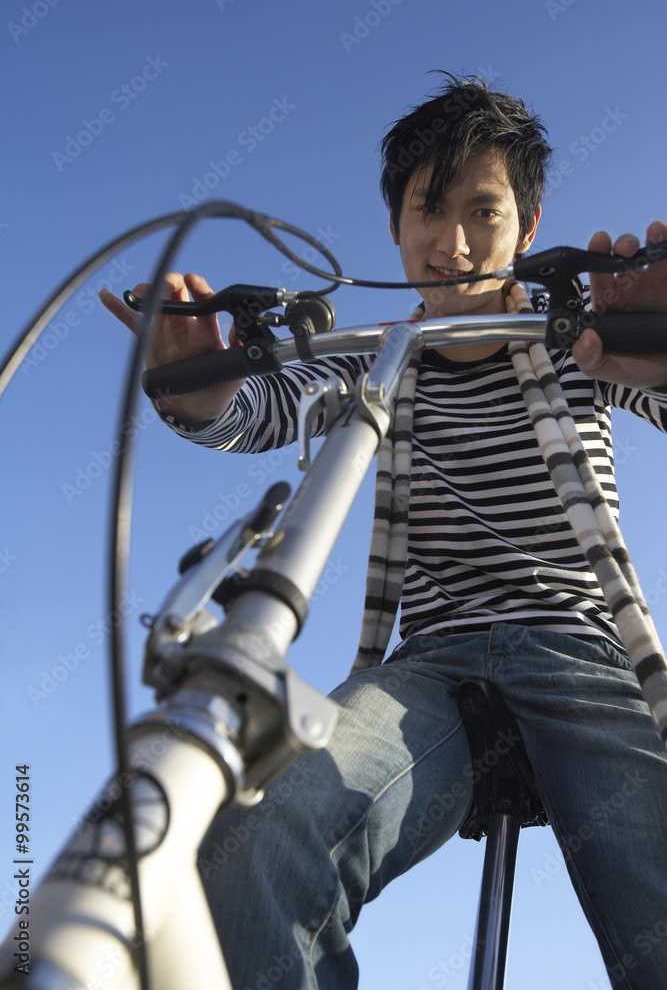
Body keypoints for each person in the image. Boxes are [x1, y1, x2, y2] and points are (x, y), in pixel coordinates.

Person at [103, 75, 667, 990]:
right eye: (426, 212)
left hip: (581, 653)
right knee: (259, 830)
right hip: (430, 675)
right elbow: (254, 410)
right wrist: (199, 393)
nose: (451, 243)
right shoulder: (377, 354)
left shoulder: (579, 339)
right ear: (396, 230)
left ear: (526, 228)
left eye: (482, 212)